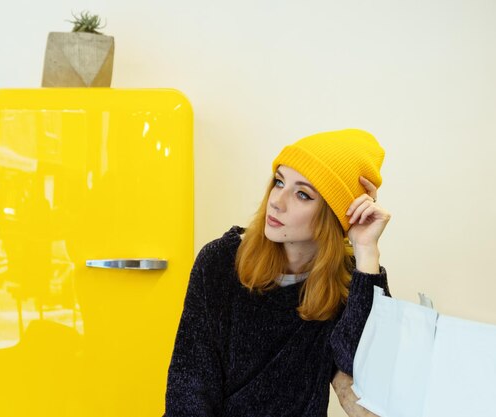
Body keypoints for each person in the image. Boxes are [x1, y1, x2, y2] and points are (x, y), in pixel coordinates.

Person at [164, 129, 392, 417]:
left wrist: (366, 248)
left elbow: (366, 373)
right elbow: (190, 385)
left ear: (335, 215)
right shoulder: (221, 261)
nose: (276, 201)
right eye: (279, 182)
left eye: (302, 194)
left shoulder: (349, 279)